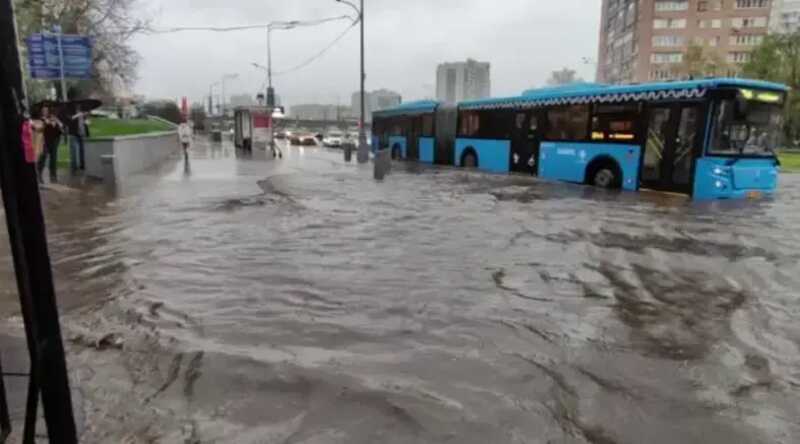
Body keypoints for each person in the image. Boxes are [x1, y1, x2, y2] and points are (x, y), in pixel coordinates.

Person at [37, 106, 63, 183]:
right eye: (43, 110)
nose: (45, 112)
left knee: (53, 158)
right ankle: (39, 174)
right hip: (45, 141)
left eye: (46, 110)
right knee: (43, 156)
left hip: (54, 141)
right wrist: (45, 122)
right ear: (41, 112)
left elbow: (60, 127)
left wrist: (57, 121)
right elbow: (39, 129)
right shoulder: (41, 119)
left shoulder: (53, 118)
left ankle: (53, 176)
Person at [67, 104, 89, 172]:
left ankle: (82, 165)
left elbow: (85, 122)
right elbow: (70, 119)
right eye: (77, 105)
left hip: (82, 133)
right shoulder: (70, 111)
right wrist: (78, 114)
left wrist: (86, 120)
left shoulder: (83, 113)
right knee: (73, 151)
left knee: (82, 150)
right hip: (73, 133)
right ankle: (74, 167)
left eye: (79, 106)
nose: (78, 106)